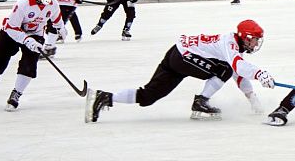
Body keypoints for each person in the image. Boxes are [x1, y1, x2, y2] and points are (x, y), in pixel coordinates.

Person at [86, 19, 275, 123]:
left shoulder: (233, 47)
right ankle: (201, 102)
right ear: (244, 37)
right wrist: (260, 74)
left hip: (178, 53)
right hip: (184, 56)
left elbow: (239, 73)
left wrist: (253, 99)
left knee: (149, 95)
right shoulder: (230, 43)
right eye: (254, 39)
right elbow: (237, 68)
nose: (256, 43)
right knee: (224, 70)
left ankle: (104, 97)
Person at [0, 0, 65, 110]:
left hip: (35, 34)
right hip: (10, 34)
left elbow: (56, 17)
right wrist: (26, 40)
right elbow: (12, 28)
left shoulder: (53, 4)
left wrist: (61, 28)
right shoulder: (22, 5)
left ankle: (16, 93)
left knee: (29, 64)